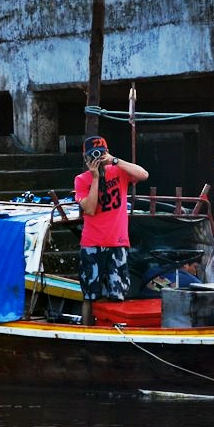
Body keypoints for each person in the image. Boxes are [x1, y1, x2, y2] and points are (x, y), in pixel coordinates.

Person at [74, 135, 149, 324]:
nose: (97, 158)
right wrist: (96, 177)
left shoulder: (119, 171)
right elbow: (90, 209)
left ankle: (113, 330)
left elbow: (144, 175)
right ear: (86, 158)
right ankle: (86, 332)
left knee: (118, 294)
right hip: (92, 243)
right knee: (90, 295)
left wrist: (115, 161)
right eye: (93, 155)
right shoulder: (81, 180)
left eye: (101, 154)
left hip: (118, 241)